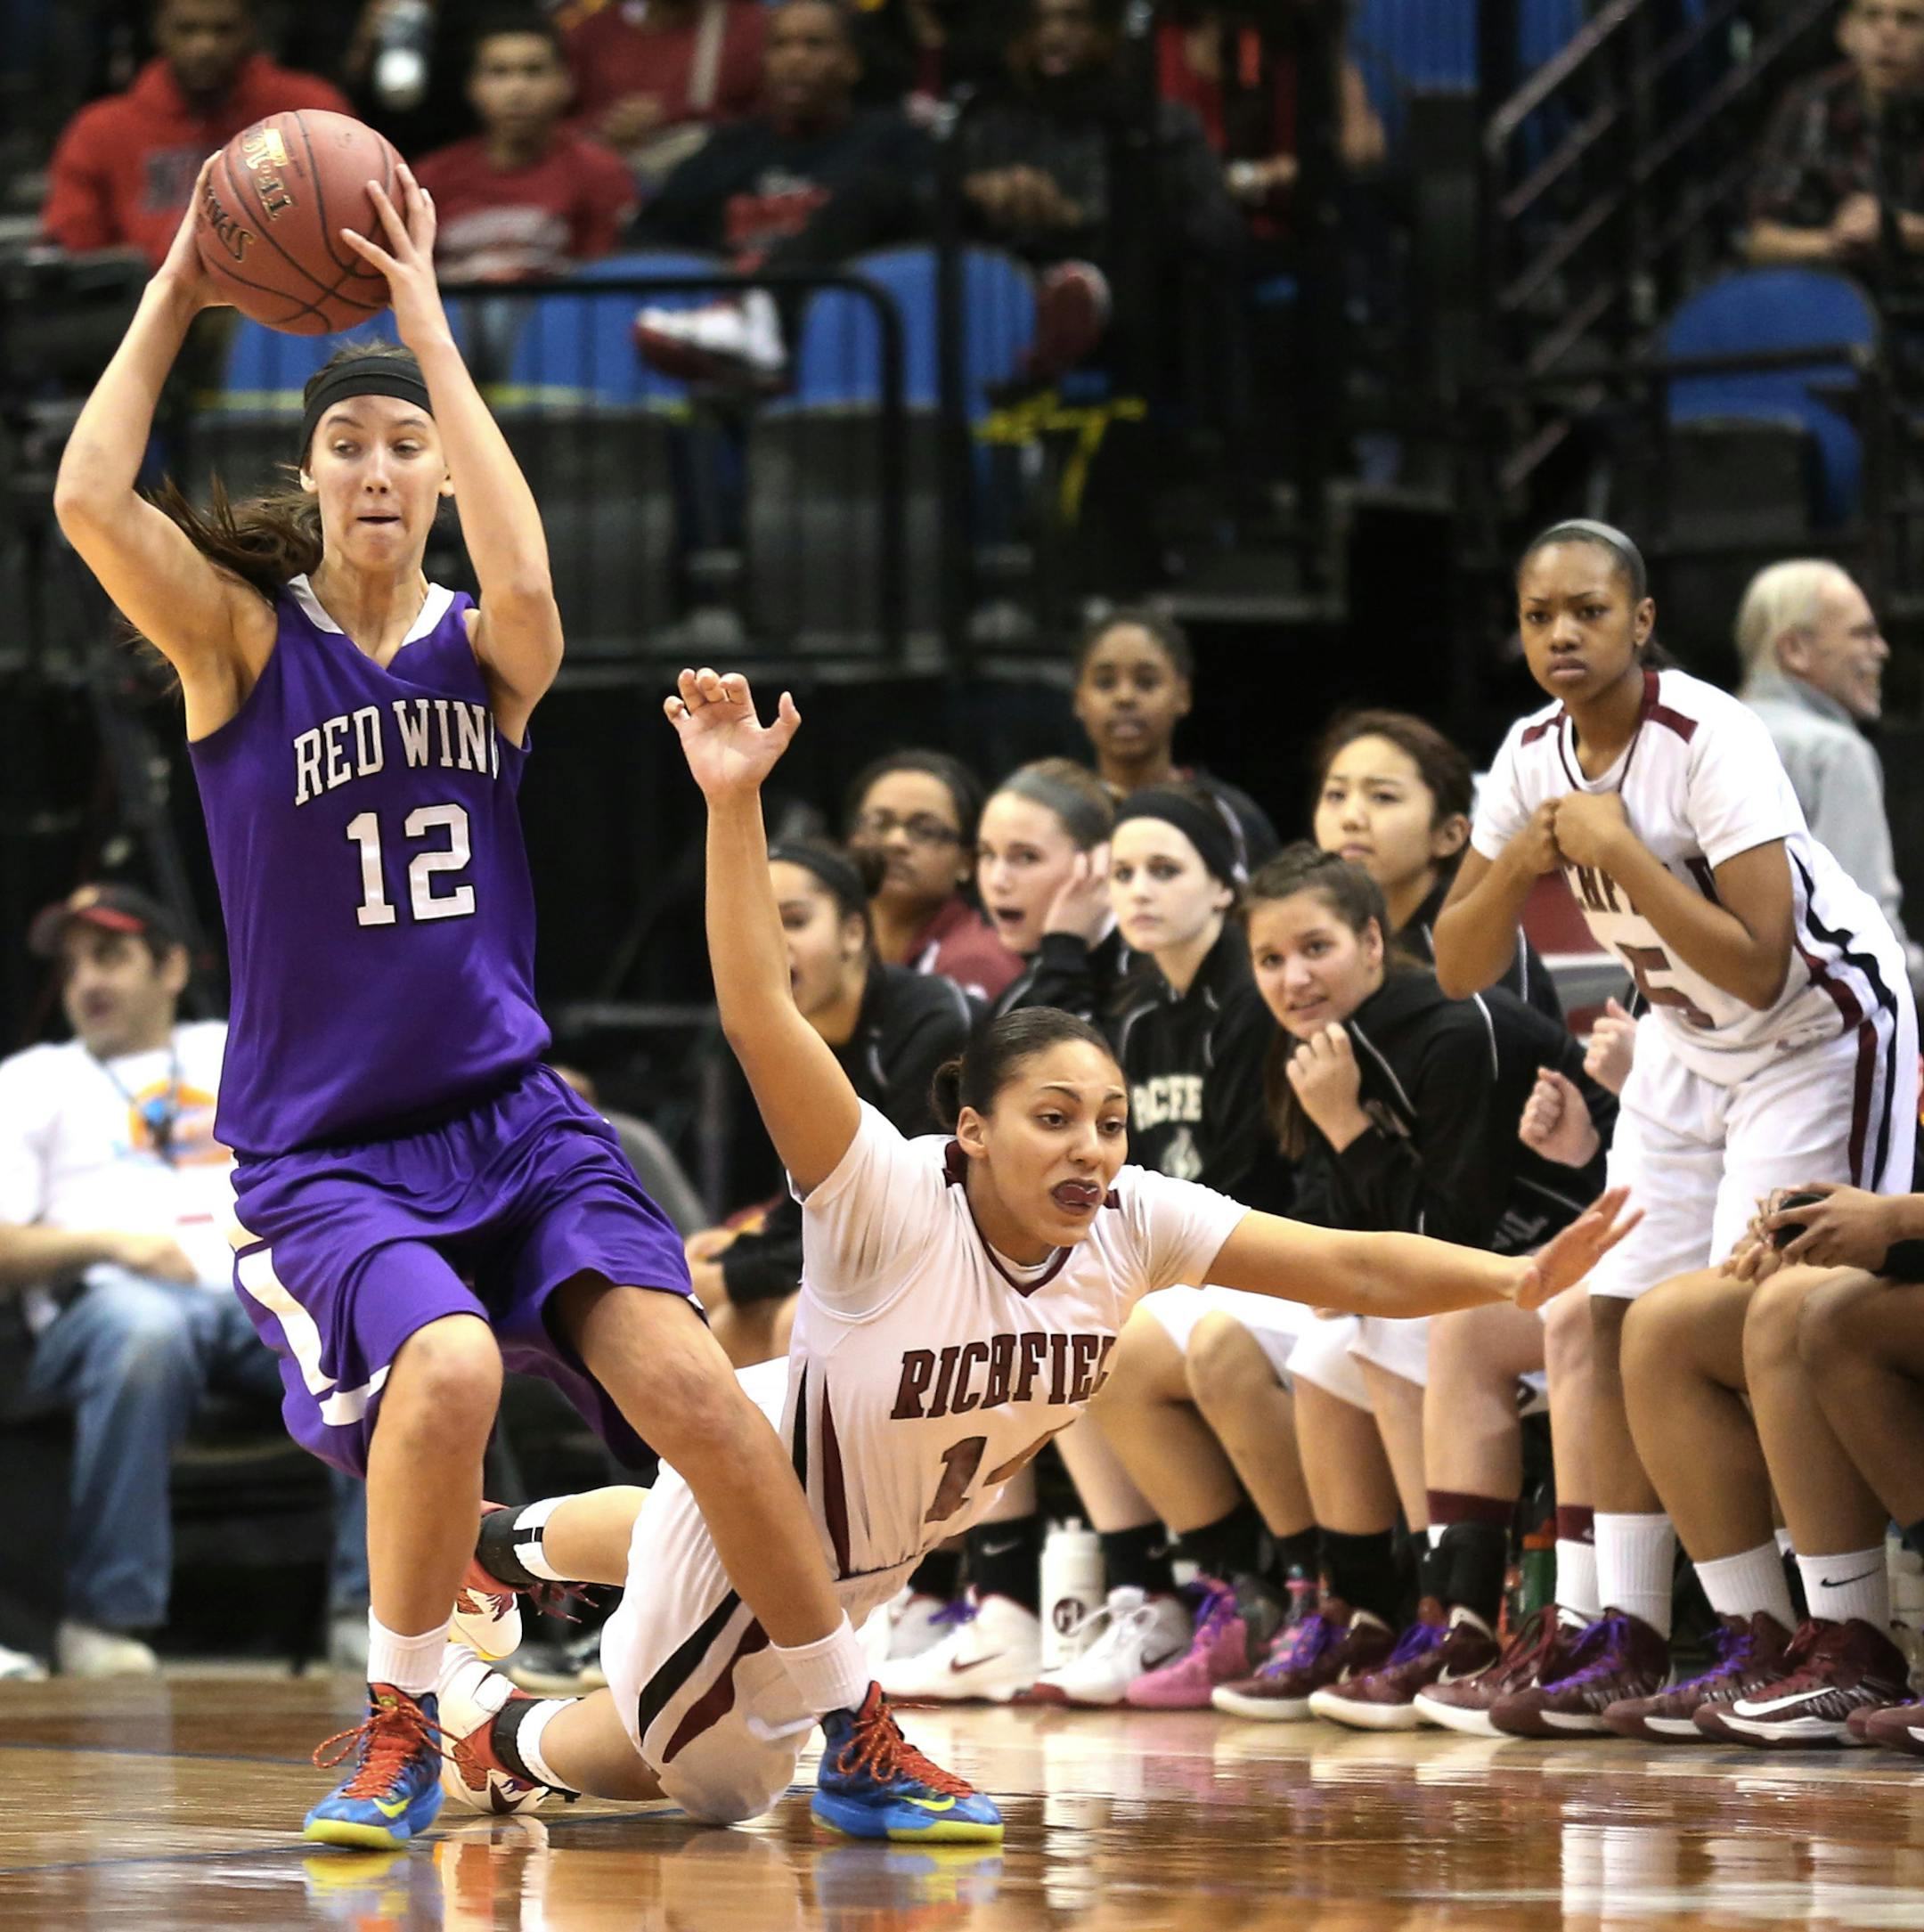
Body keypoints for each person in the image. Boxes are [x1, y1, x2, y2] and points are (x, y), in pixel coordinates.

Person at [53, 158, 974, 1848]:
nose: (384, 468)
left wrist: (424, 326)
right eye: (350, 444)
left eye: (406, 444)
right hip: (334, 1149)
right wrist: (184, 284)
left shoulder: (496, 648)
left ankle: (859, 1723)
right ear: (312, 473)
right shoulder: (242, 645)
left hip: (515, 1118)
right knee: (454, 1359)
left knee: (698, 1390)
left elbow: (534, 576)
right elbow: (91, 501)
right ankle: (405, 1716)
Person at [422, 664, 1636, 1832]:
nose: (1091, 1148)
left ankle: (501, 1545)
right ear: (972, 1131)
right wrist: (733, 801)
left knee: (685, 1515)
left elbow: (1352, 1266)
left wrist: (1512, 1277)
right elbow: (758, 1012)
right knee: (711, 1783)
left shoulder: (1134, 1213)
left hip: (833, 1511)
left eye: (1107, 1122)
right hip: (777, 1532)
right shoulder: (885, 1192)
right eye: (1052, 1121)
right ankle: (495, 1741)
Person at [1433, 517, 1915, 1732]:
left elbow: (1762, 967)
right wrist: (1519, 860)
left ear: (1640, 621)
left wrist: (1625, 862)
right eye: (1540, 614)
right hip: (1686, 1041)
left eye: (1587, 610)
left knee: (1755, 1311)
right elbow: (1455, 959)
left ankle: (1847, 1618)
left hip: (1814, 1034)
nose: (1561, 634)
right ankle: (1661, 1631)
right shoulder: (1531, 751)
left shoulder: (1711, 736)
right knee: (1598, 1311)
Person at [1102, 845, 1615, 1716]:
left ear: (1373, 943)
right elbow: (1321, 1218)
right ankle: (1365, 1612)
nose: (1292, 978)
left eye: (1316, 949)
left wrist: (1351, 1133)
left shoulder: (1455, 1029)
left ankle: (1454, 1614)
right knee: (1327, 1352)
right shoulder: (1318, 1042)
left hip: (1553, 1270)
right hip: (1468, 1285)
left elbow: (1451, 1234)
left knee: (1376, 1333)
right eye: (1269, 959)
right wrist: (1340, 1172)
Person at [881, 780, 1295, 1704]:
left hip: (1248, 1251)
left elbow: (1236, 1178)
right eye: (1130, 872)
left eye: (1163, 870)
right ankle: (1116, 1596)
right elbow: (1000, 1070)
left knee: (1092, 1326)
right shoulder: (1142, 1013)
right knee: (1028, 1312)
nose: (1139, 890)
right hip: (1182, 1258)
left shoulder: (1251, 997)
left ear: (1225, 886)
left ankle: (1259, 1591)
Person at [2, 884, 365, 1678]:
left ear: (171, 967)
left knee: (368, 1317)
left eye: (110, 956)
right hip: (102, 1307)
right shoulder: (34, 1078)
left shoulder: (236, 1048)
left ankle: (371, 1608)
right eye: (72, 966)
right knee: (147, 1331)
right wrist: (116, 1244)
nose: (86, 982)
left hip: (251, 1296)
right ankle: (106, 1617)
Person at [683, 837, 974, 1368]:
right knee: (729, 1327)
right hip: (865, 1259)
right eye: (757, 926)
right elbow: (807, 1201)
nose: (771, 945)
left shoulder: (931, 1021)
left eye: (793, 922)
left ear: (854, 932)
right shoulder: (780, 1037)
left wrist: (729, 1275)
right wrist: (730, 1257)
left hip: (964, 1256)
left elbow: (901, 1217)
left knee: (802, 1323)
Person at [630, 0, 933, 389]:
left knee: (875, 189)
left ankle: (759, 310)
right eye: (781, 45)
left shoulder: (893, 142)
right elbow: (647, 235)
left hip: (849, 334)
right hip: (720, 339)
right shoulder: (729, 148)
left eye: (814, 44)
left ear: (852, 63)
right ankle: (746, 318)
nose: (795, 58)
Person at [40, 0, 350, 267]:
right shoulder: (100, 131)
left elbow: (352, 224)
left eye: (223, 30)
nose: (205, 46)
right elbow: (75, 252)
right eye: (187, 29)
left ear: (251, 30)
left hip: (283, 307)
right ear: (158, 30)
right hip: (149, 310)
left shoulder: (310, 112)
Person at [1734, 559, 1922, 991]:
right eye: (1862, 634)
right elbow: (1864, 944)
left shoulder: (1705, 734)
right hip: (1820, 1038)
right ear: (1795, 650)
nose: (1882, 650)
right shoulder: (1835, 754)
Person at [1310, 707, 1559, 1021]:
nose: (1349, 818)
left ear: (1450, 835)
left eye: (1383, 797)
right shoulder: (1324, 937)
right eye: (1335, 795)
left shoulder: (1476, 943)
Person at [412, 9, 636, 286]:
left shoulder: (600, 173)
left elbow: (603, 287)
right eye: (499, 72)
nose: (517, 89)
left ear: (567, 82)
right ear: (472, 86)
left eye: (534, 71)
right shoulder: (430, 177)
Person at [1071, 608, 1278, 868]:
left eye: (1146, 683)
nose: (1124, 697)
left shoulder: (1231, 816)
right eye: (1105, 683)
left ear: (1183, 696)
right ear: (1078, 700)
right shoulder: (1055, 813)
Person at [1744, 0, 1924, 270]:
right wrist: (1835, 241)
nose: (1888, 33)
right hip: (1833, 291)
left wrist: (1900, 230)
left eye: (1909, 20)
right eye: (1871, 16)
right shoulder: (1811, 101)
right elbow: (1758, 239)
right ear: (1845, 31)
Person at [844, 749, 1021, 1004]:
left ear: (968, 862)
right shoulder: (829, 941)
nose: (897, 842)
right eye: (878, 823)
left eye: (925, 830)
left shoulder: (975, 963)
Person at [977, 758, 1125, 1022]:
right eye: (987, 854)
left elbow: (1068, 1059)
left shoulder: (1147, 971)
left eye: (1026, 857)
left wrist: (1064, 946)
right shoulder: (1022, 992)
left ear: (1096, 862)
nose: (997, 880)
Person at [565, 0, 767, 186]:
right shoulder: (595, 33)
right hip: (602, 186)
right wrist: (603, 128)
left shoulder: (748, 28)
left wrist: (673, 116)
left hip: (705, 191)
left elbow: (770, 127)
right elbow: (551, 126)